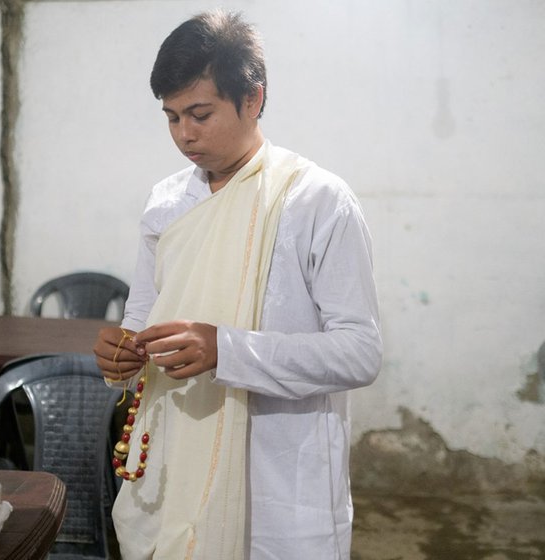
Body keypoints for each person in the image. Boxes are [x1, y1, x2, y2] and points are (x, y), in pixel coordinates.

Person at [93, 9, 382, 560]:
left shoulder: (316, 201)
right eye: (172, 117)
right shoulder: (167, 203)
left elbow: (360, 353)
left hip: (278, 482)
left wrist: (225, 349)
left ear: (253, 98)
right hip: (177, 460)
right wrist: (123, 354)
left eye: (200, 114)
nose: (184, 135)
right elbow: (144, 314)